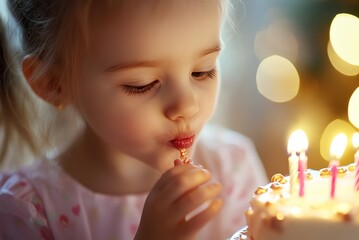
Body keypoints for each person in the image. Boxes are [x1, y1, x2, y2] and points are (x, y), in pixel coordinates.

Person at [0, 0, 267, 239]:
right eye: (142, 84)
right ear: (52, 83)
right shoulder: (28, 211)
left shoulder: (233, 170)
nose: (187, 105)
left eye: (202, 71)